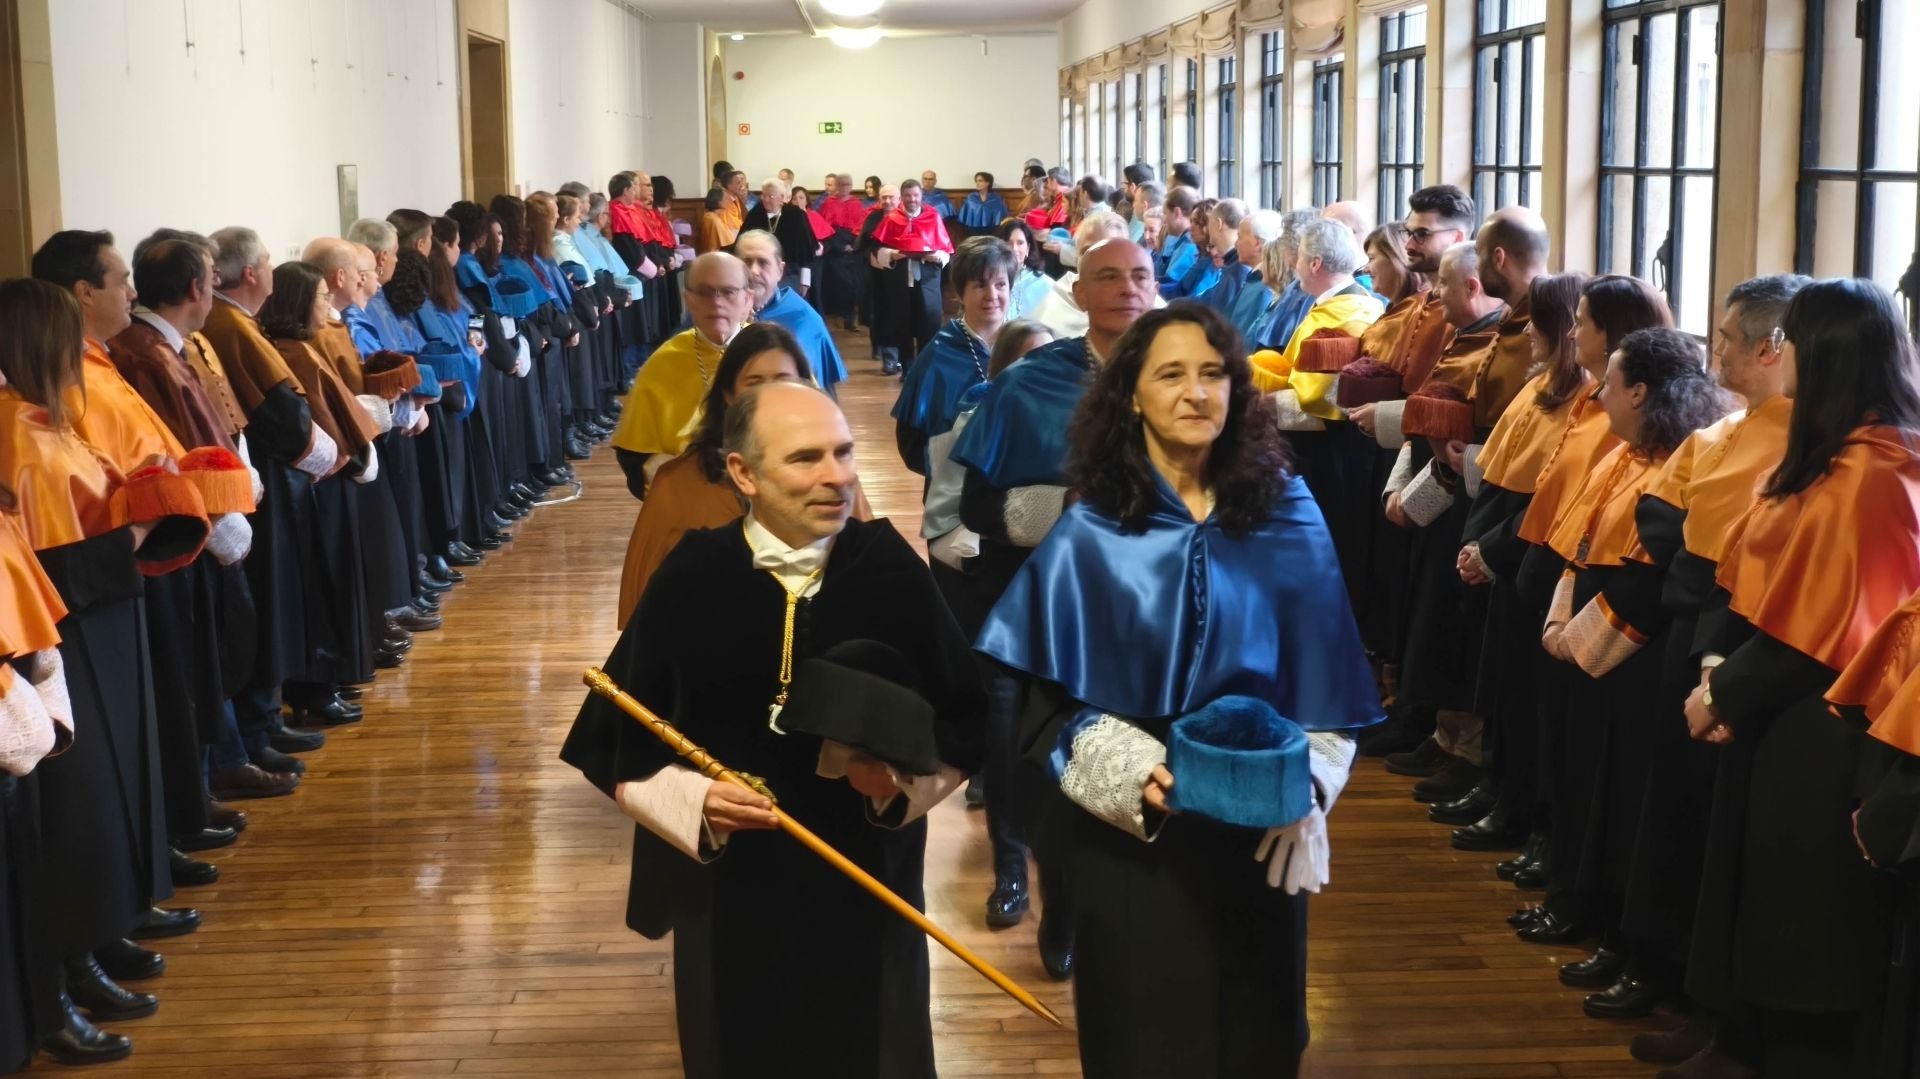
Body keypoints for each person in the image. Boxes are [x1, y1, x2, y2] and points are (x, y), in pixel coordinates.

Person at [975, 303, 1381, 1078]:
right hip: (1134, 842)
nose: (1196, 393)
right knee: (1143, 1039)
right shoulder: (1092, 529)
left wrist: (1314, 784)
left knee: (1256, 1037)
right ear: (1131, 393)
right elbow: (1035, 699)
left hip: (1259, 833)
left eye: (1213, 373)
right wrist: (1119, 765)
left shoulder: (1287, 510)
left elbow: (1328, 667)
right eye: (1171, 374)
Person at [561, 379, 984, 1079]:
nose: (837, 476)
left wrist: (901, 783)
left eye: (844, 453)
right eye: (806, 458)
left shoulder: (889, 571)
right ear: (743, 472)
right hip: (731, 889)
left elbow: (964, 719)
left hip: (866, 883)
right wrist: (693, 801)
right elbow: (613, 744)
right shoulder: (694, 575)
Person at [1682, 279, 1920, 1078]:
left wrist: (1722, 692)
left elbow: (1823, 631)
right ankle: (1739, 1036)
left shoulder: (1871, 473)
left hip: (1824, 726)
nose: (1779, 354)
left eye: (1795, 340)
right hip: (1780, 702)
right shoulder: (1846, 452)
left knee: (1802, 916)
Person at [1597, 274, 1810, 1070]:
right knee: (1671, 809)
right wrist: (1694, 552)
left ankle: (1706, 1000)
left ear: (1772, 348)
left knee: (1708, 828)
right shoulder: (1724, 428)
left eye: (1725, 338)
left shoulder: (1798, 438)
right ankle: (1670, 974)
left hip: (1736, 638)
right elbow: (1660, 514)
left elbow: (1733, 549)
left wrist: (1696, 554)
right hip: (1692, 622)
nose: (1711, 349)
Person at [0, 277, 211, 1066]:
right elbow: (43, 559)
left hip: (105, 622)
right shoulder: (15, 435)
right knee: (74, 810)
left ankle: (101, 934)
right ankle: (72, 963)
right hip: (66, 636)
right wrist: (130, 533)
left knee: (110, 793)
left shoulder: (49, 420)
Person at [951, 237, 1158, 979]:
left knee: (1116, 755)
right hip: (1038, 601)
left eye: (1140, 274)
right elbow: (977, 502)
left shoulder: (1188, 378)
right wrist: (1064, 509)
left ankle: (1090, 896)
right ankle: (1023, 871)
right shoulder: (1029, 383)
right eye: (1108, 274)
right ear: (1078, 289)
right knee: (1021, 747)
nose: (1126, 288)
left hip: (1147, 610)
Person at [1535, 328, 1733, 1018]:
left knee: (1629, 806)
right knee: (1592, 789)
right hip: (1596, 646)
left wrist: (1581, 640)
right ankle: (1589, 910)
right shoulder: (1625, 453)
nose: (1597, 392)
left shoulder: (1679, 463)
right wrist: (1562, 622)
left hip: (1636, 658)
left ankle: (1631, 943)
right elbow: (1582, 538)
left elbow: (1651, 580)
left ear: (1642, 392)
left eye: (1611, 382)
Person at [609, 252, 754, 496]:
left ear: (748, 299)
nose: (716, 302)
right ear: (688, 300)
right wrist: (654, 468)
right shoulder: (663, 362)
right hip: (688, 503)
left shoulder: (773, 354)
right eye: (705, 292)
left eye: (728, 291)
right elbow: (634, 457)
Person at [893, 236, 1015, 475]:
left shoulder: (1028, 346)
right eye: (980, 285)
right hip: (953, 491)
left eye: (1000, 284)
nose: (992, 295)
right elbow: (911, 446)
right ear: (959, 293)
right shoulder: (937, 354)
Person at [734, 229, 847, 397]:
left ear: (780, 270)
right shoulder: (717, 311)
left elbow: (825, 395)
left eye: (763, 262)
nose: (753, 271)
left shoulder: (805, 318)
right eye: (746, 262)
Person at [869, 179, 955, 372]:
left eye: (915, 195)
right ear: (903, 197)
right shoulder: (892, 218)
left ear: (921, 196)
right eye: (907, 195)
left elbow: (946, 249)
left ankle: (925, 368)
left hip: (927, 278)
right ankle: (907, 368)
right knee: (902, 322)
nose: (912, 199)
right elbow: (876, 246)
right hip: (900, 279)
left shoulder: (932, 217)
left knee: (930, 321)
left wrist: (938, 257)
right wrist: (892, 254)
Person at [741, 177, 817, 297]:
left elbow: (806, 250)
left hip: (790, 273)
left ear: (782, 198)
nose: (765, 199)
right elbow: (742, 243)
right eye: (763, 195)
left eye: (770, 196)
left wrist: (805, 281)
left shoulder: (796, 214)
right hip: (760, 272)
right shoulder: (755, 214)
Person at [1224, 209, 1285, 340]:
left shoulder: (1264, 287)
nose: (1235, 244)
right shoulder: (1254, 280)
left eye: (1239, 237)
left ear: (1257, 243)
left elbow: (1244, 340)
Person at [997, 217, 1053, 321]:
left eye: (1020, 243)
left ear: (1027, 248)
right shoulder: (990, 280)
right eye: (1008, 243)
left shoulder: (1045, 284)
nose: (1014, 249)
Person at [1154, 186, 1201, 291]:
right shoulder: (1179, 239)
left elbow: (1172, 280)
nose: (1164, 221)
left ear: (1177, 212)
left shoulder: (1189, 244)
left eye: (1165, 214)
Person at [697, 187, 735, 255]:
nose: (729, 201)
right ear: (719, 202)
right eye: (726, 198)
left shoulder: (709, 217)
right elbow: (727, 244)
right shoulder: (713, 220)